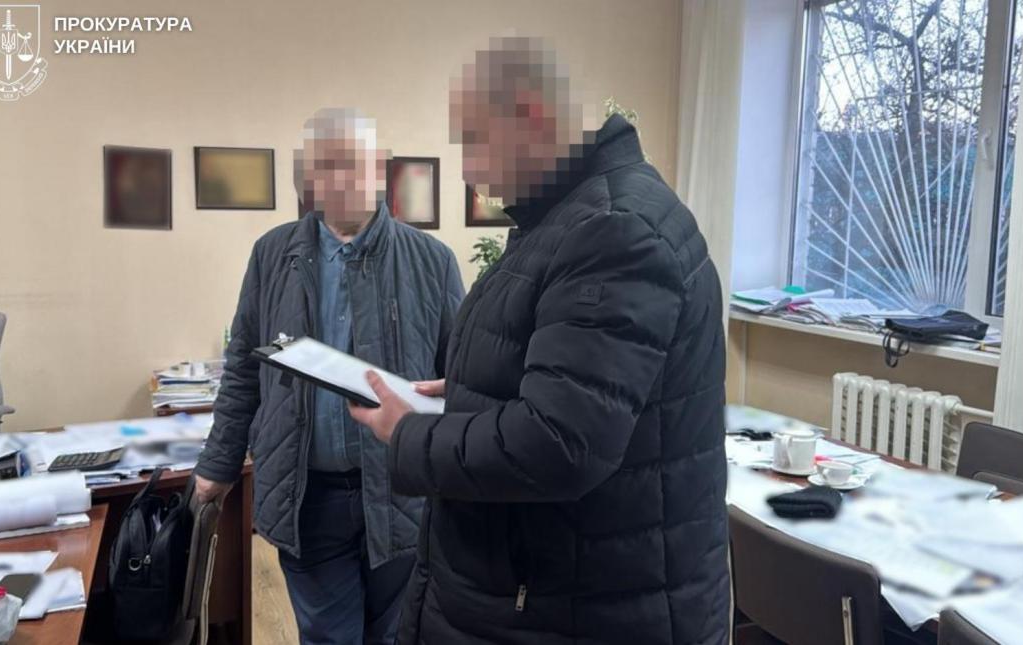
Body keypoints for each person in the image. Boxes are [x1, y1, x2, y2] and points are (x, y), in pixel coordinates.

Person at [350, 37, 731, 644]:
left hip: (575, 608)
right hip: (547, 592)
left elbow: (560, 442)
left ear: (531, 116)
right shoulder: (566, 217)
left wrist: (409, 432)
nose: (469, 171)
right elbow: (567, 376)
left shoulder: (613, 229)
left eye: (474, 142)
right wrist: (469, 389)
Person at [194, 108, 464, 644]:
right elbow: (244, 369)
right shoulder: (273, 255)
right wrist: (218, 464)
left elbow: (460, 378)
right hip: (306, 496)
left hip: (401, 493)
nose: (342, 180)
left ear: (379, 169)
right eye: (326, 166)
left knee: (395, 633)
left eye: (354, 164)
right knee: (328, 636)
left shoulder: (432, 261)